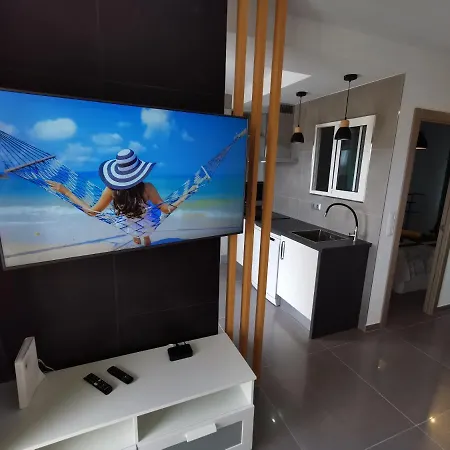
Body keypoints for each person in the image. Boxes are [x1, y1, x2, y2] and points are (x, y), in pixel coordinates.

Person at [48, 149, 195, 246]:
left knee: (131, 223)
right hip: (148, 224)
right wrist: (184, 196)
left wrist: (66, 192)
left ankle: (137, 238)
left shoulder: (111, 190)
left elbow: (92, 212)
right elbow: (166, 210)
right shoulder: (148, 188)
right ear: (138, 171)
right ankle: (146, 238)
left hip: (128, 225)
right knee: (150, 213)